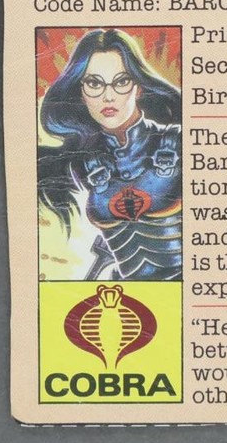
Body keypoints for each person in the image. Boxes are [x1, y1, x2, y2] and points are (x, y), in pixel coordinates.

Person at [37, 30, 182, 281]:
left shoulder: (178, 142)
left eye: (121, 81)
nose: (108, 96)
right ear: (80, 92)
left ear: (138, 87)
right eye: (94, 84)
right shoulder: (82, 164)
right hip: (132, 293)